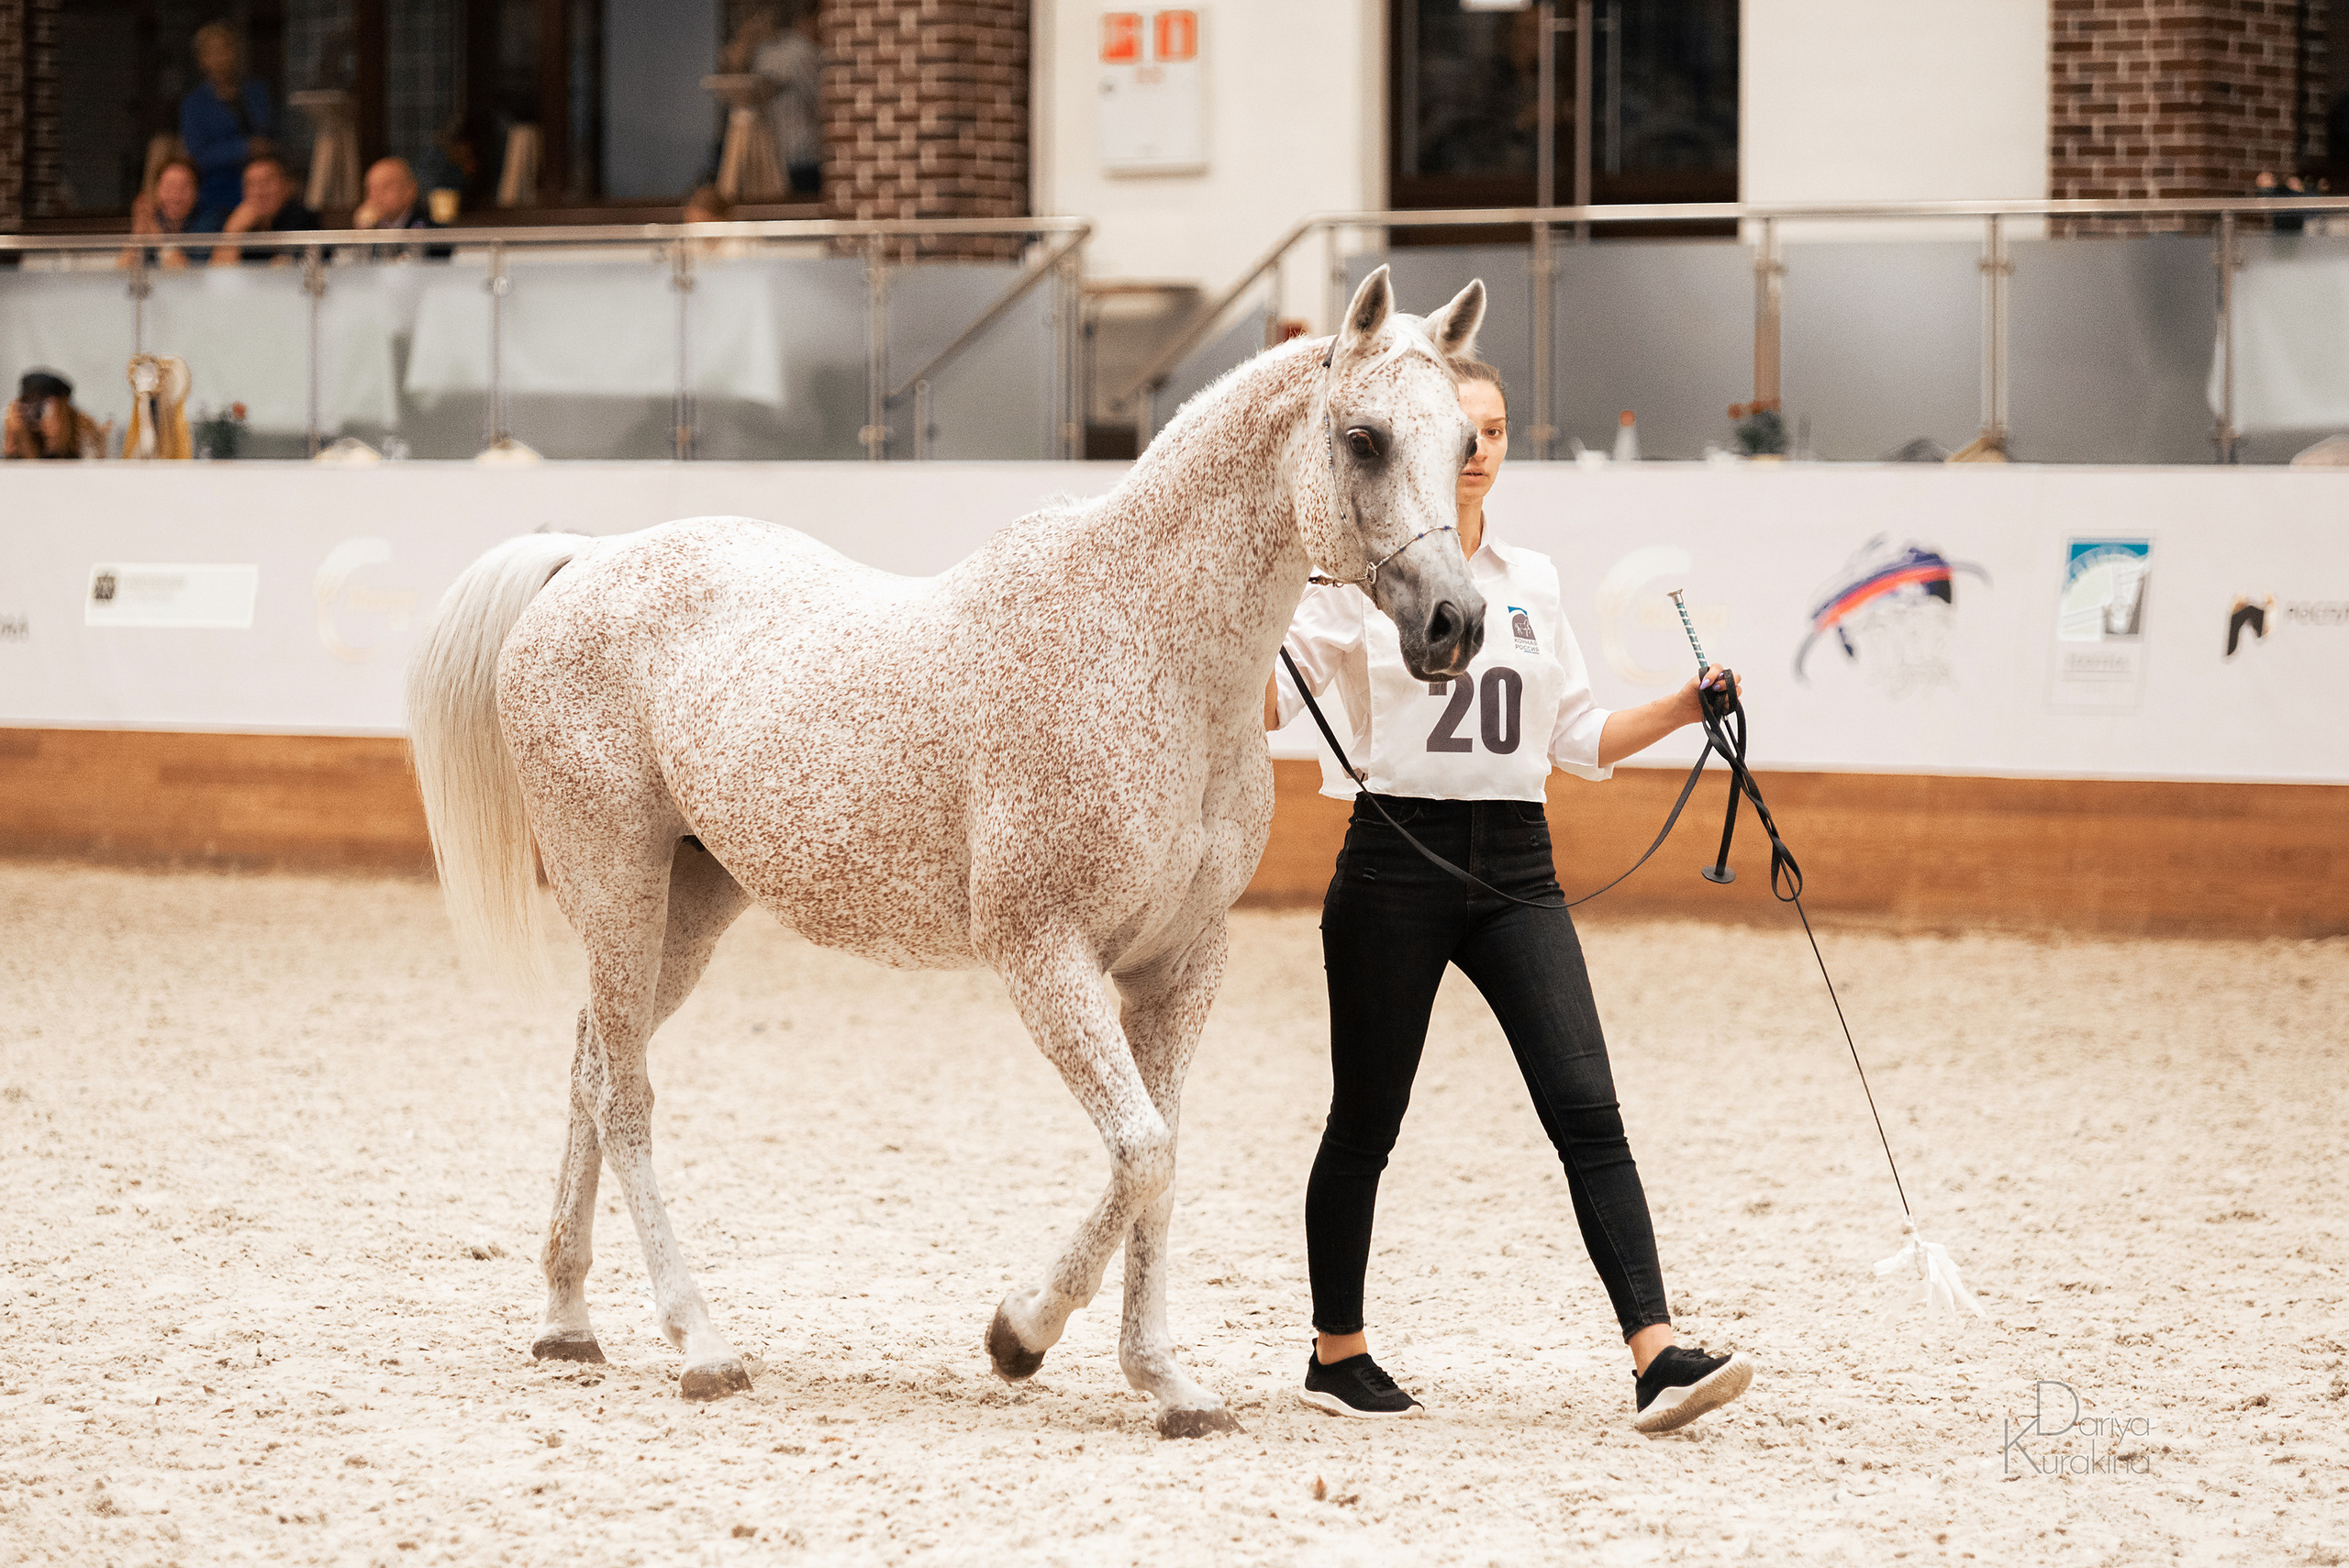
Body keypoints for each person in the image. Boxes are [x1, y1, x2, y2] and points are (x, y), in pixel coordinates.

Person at [1270, 360, 1756, 1434]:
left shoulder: (1531, 577)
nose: (1477, 449)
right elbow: (1270, 692)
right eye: (1461, 432)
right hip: (1394, 860)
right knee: (1367, 1118)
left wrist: (1683, 705)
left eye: (1491, 431)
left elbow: (1575, 740)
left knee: (1586, 1104)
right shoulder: (1356, 579)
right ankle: (1336, 1351)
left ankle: (1655, 1353)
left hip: (1517, 870)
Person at [180, 22, 275, 230]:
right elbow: (198, 154)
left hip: (263, 188)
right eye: (213, 51)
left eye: (226, 48)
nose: (221, 57)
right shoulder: (195, 104)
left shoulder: (255, 91)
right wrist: (243, 148)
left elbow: (271, 133)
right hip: (218, 194)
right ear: (202, 60)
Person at [752, 1, 824, 195]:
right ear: (810, 20)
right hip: (804, 151)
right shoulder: (804, 52)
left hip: (770, 151)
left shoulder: (765, 52)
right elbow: (822, 101)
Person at [209, 155, 319, 267]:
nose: (259, 192)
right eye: (251, 184)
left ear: (287, 186)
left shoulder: (301, 219)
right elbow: (219, 273)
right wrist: (234, 230)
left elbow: (282, 271)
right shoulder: (232, 219)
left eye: (267, 181)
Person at [352, 157, 451, 260]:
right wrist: (363, 231)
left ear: (410, 189)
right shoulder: (370, 226)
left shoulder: (429, 226)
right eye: (371, 188)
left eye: (385, 187)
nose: (376, 195)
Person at [118, 156, 203, 271]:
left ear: (196, 193)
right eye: (169, 187)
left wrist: (157, 234)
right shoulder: (153, 222)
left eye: (183, 188)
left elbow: (183, 274)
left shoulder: (206, 226)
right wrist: (138, 232)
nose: (175, 195)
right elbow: (120, 273)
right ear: (156, 191)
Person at [4, 371, 108, 460]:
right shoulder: (16, 424)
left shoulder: (82, 428)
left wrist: (54, 441)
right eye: (26, 402)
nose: (30, 411)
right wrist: (12, 437)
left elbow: (87, 473)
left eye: (40, 403)